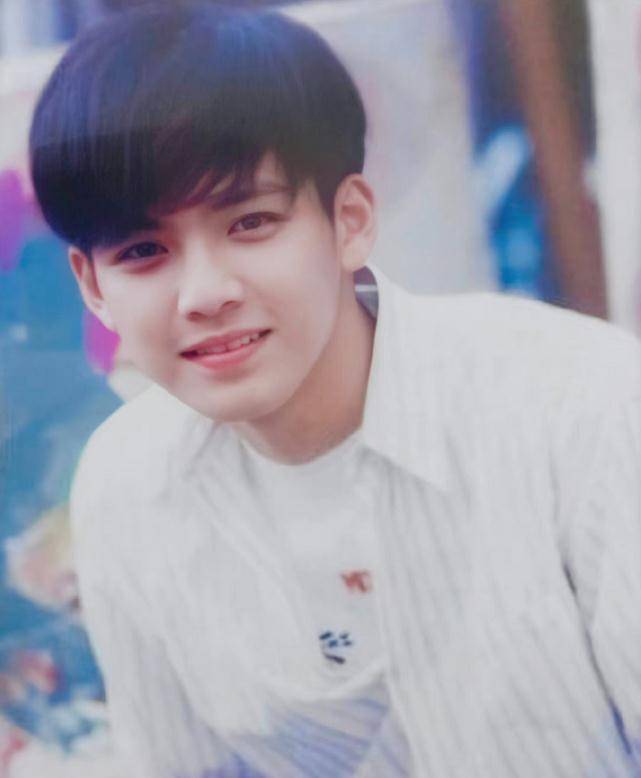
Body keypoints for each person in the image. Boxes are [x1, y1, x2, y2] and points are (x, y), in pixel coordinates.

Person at [29, 4, 641, 777]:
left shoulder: (578, 404)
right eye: (144, 250)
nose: (205, 293)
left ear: (348, 220)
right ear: (92, 285)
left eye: (250, 223)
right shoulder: (125, 490)